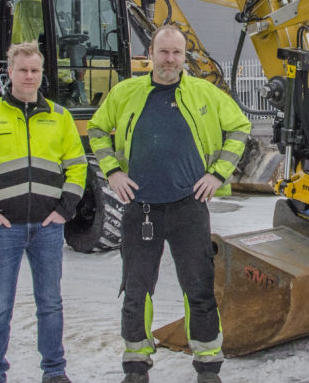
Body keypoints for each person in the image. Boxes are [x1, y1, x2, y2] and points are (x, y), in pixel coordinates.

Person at [87, 25, 251, 383]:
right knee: (136, 290)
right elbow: (97, 130)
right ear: (151, 54)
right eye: (164, 52)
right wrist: (113, 172)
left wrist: (218, 174)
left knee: (199, 288)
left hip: (188, 207)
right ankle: (136, 365)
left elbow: (240, 127)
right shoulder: (126, 92)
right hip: (140, 209)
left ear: (184, 55)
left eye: (177, 52)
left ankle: (208, 366)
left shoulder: (204, 92)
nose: (170, 59)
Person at [0, 41, 86, 383]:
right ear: (9, 72)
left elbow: (77, 165)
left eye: (35, 70)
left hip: (47, 228)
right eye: (23, 70)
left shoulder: (60, 117)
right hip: (4, 229)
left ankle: (54, 371)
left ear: (42, 74)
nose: (29, 76)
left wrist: (65, 209)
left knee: (50, 304)